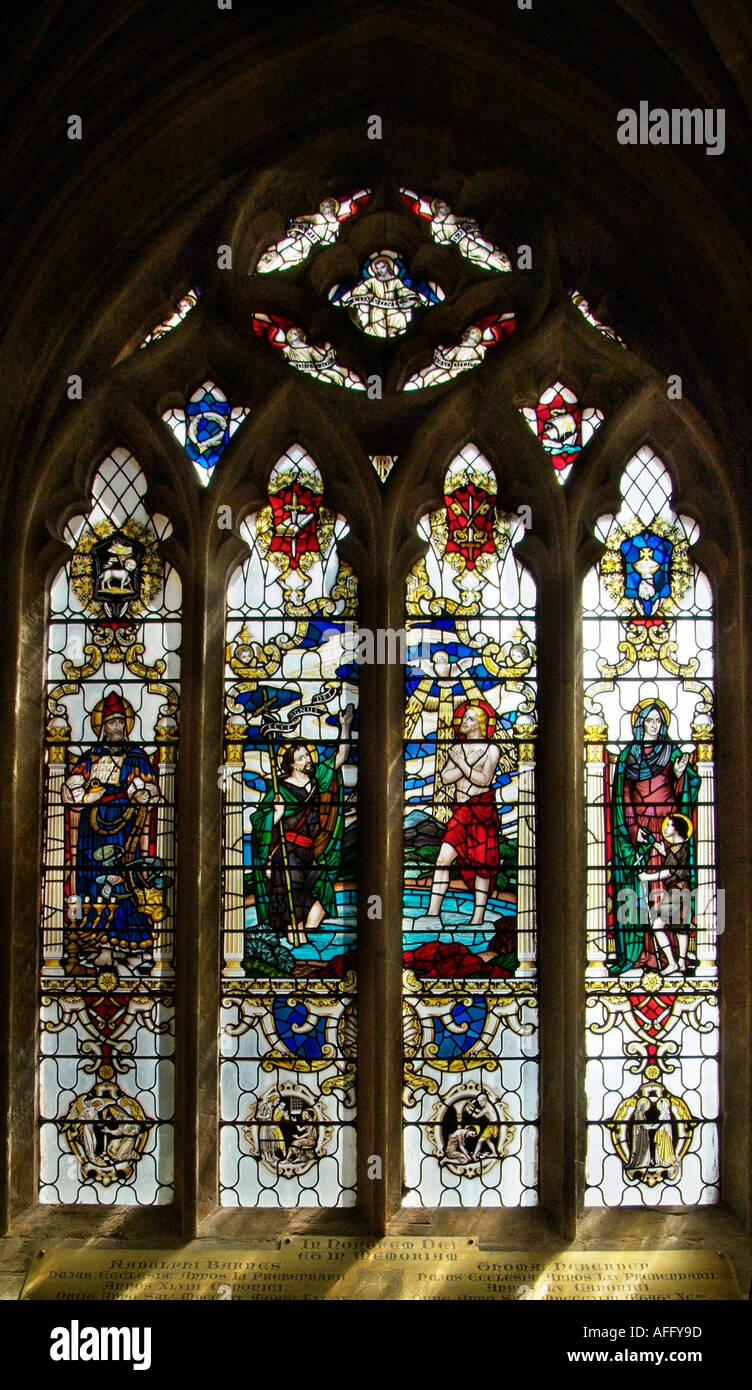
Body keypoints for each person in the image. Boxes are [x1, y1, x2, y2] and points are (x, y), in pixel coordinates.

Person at [62, 690, 161, 971]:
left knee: (123, 881)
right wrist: (85, 793)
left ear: (126, 725)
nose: (116, 727)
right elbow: (72, 787)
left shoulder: (135, 755)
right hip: (91, 829)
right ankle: (98, 945)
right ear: (102, 727)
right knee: (93, 880)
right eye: (111, 722)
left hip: (124, 827)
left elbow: (148, 787)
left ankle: (123, 945)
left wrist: (142, 793)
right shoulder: (91, 755)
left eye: (120, 722)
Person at [251, 705, 354, 946]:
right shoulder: (280, 789)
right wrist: (276, 815)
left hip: (311, 851)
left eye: (307, 755)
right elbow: (258, 822)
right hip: (287, 854)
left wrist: (345, 726)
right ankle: (298, 949)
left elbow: (341, 757)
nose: (307, 759)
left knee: (323, 889)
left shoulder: (318, 778)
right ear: (292, 764)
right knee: (292, 899)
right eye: (301, 757)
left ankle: (304, 940)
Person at [610, 699, 699, 974]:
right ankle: (647, 954)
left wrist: (679, 774)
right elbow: (623, 795)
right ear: (640, 723)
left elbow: (687, 783)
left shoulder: (670, 751)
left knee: (671, 889)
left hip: (668, 825)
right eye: (649, 721)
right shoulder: (628, 756)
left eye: (658, 722)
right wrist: (634, 829)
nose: (654, 726)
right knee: (645, 894)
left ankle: (676, 958)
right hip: (643, 828)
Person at [426, 701, 501, 926]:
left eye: (469, 718)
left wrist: (460, 763)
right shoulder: (458, 748)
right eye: (463, 718)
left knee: (482, 866)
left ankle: (477, 919)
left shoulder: (492, 749)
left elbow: (484, 779)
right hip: (461, 811)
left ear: (479, 723)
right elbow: (445, 777)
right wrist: (464, 765)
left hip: (481, 810)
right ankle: (432, 913)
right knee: (442, 859)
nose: (463, 722)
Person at [638, 813, 694, 975]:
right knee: (680, 928)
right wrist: (664, 853)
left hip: (676, 891)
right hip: (684, 889)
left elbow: (669, 871)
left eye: (669, 825)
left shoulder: (677, 849)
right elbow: (677, 866)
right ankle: (681, 963)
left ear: (677, 829)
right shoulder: (683, 847)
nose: (666, 828)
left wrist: (648, 877)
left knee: (657, 926)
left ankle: (672, 963)